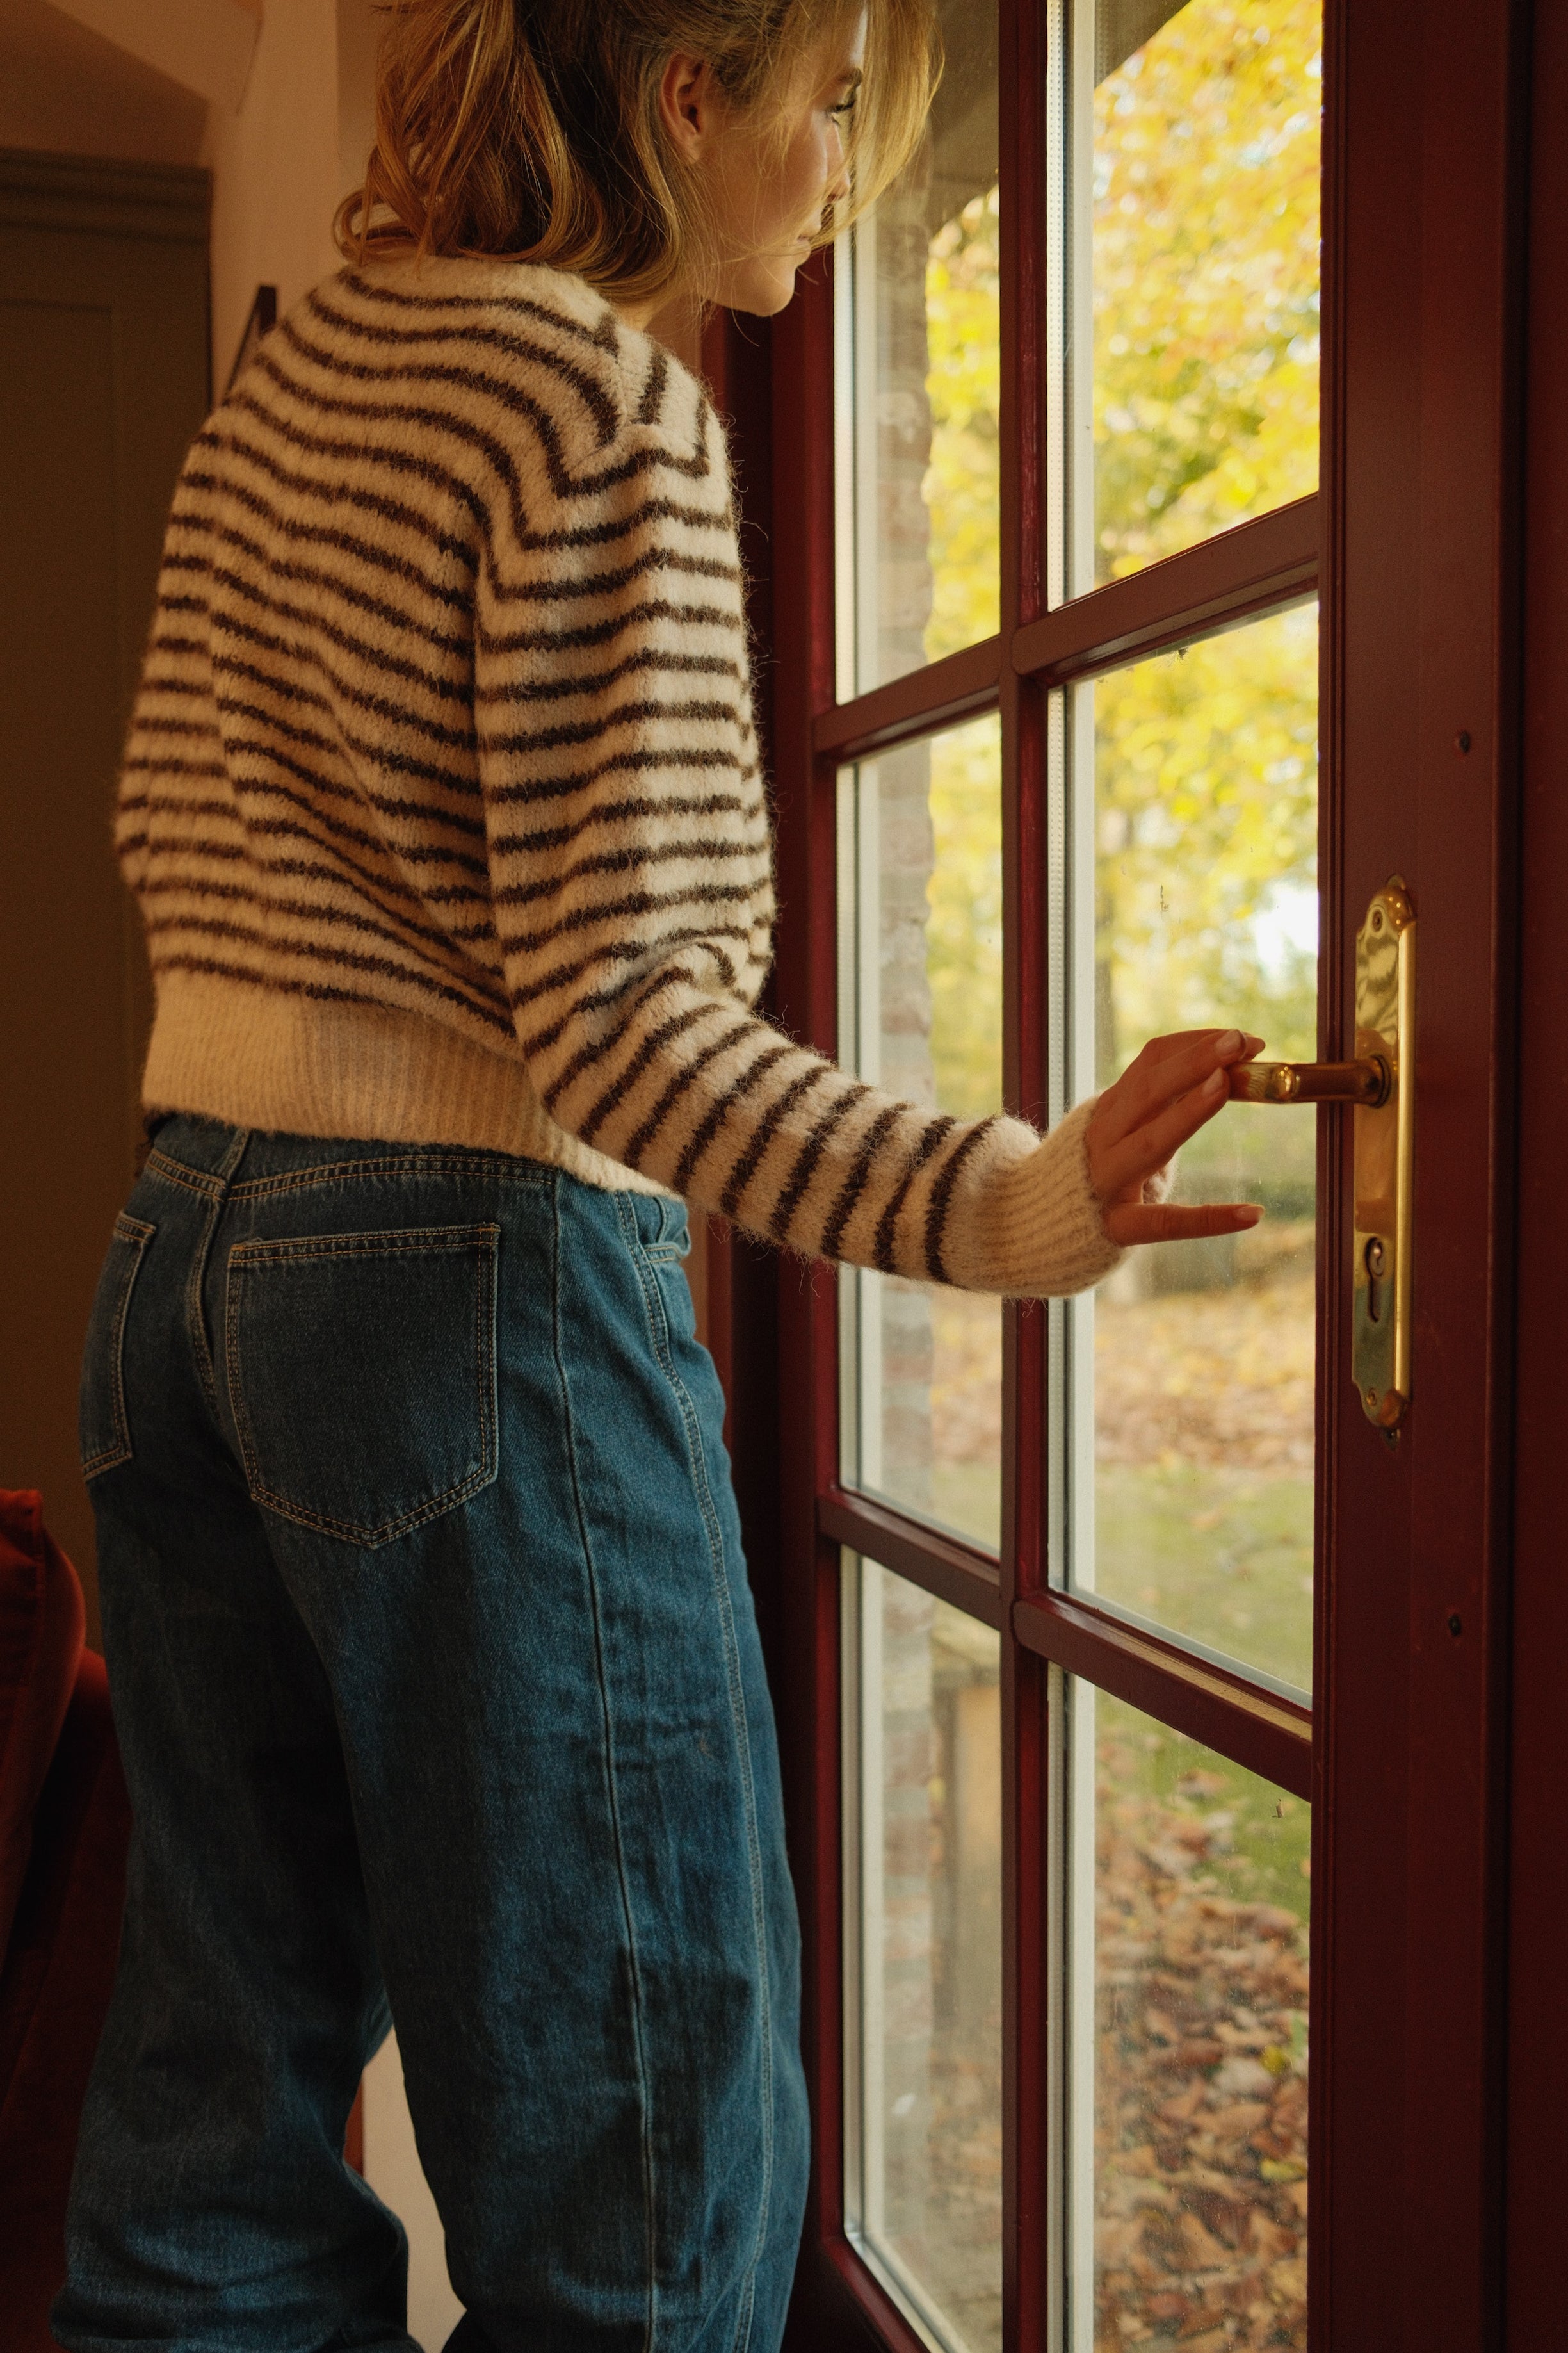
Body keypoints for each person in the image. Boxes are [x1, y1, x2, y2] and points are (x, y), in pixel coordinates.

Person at [54, 5, 1263, 2350]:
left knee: (213, 2109)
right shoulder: (594, 408)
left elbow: (177, 844)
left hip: (182, 1261)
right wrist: (1012, 1201)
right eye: (824, 110)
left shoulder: (286, 379)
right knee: (644, 2164)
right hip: (462, 1289)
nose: (830, 174)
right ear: (683, 95)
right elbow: (625, 1031)